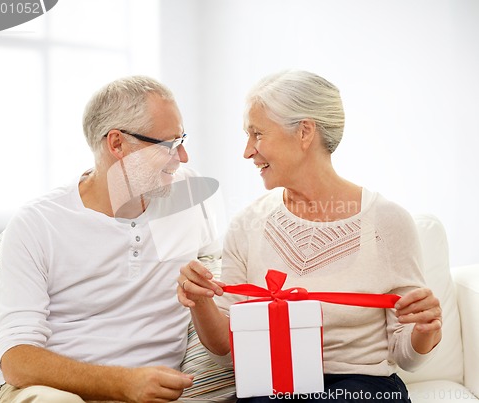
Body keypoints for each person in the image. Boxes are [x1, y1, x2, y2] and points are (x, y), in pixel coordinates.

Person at [178, 70, 442, 402]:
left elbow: (407, 356)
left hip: (361, 389)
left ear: (304, 132)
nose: (247, 151)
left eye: (257, 134)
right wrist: (200, 301)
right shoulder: (248, 224)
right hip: (274, 388)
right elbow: (225, 350)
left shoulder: (387, 223)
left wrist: (424, 330)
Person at [0, 75, 221, 403]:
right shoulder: (38, 223)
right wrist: (123, 383)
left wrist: (201, 294)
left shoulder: (187, 195)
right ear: (117, 144)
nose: (182, 157)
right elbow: (15, 359)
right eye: (169, 144)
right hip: (56, 392)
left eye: (182, 139)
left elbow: (218, 298)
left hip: (152, 393)